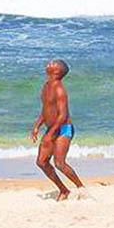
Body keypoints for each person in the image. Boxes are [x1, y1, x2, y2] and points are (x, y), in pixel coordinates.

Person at [31, 58, 84, 200]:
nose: (48, 63)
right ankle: (64, 190)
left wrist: (50, 134)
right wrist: (37, 126)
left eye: (52, 63)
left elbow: (63, 115)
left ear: (57, 71)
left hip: (64, 128)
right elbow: (46, 110)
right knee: (41, 162)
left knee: (59, 163)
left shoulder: (60, 89)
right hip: (52, 128)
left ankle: (81, 188)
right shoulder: (46, 86)